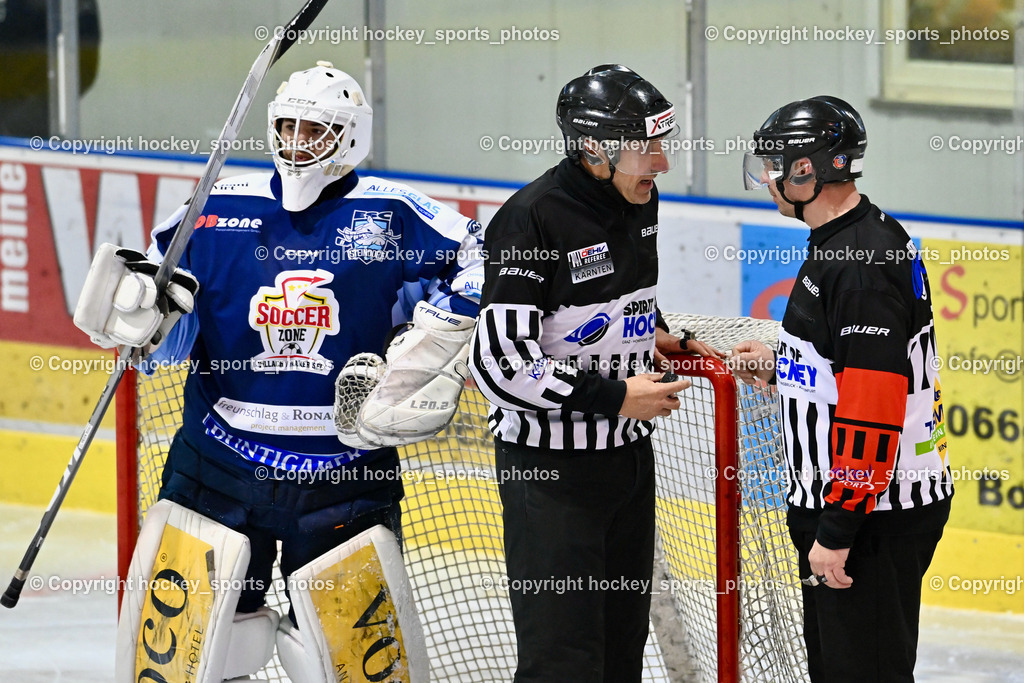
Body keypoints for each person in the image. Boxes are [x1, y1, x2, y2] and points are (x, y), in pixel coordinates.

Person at [74, 61, 484, 681]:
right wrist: (138, 313)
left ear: (350, 137)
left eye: (314, 129)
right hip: (217, 465)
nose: (296, 143)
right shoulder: (214, 208)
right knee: (185, 658)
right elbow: (159, 312)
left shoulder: (395, 212)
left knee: (351, 662)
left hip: (346, 472)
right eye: (286, 126)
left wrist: (431, 336)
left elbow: (486, 261)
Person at [469, 64, 718, 683]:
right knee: (564, 660)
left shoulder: (637, 198)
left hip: (629, 466)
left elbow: (618, 299)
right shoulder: (531, 219)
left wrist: (661, 335)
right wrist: (615, 396)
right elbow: (499, 365)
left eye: (663, 143)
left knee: (619, 651)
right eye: (646, 147)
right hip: (551, 478)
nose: (661, 164)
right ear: (592, 147)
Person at [732, 96, 952, 682]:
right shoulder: (843, 240)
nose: (767, 180)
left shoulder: (858, 265)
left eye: (776, 166)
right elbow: (850, 368)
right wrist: (783, 368)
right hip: (852, 508)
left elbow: (874, 408)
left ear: (809, 170)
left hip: (872, 517)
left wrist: (837, 529)